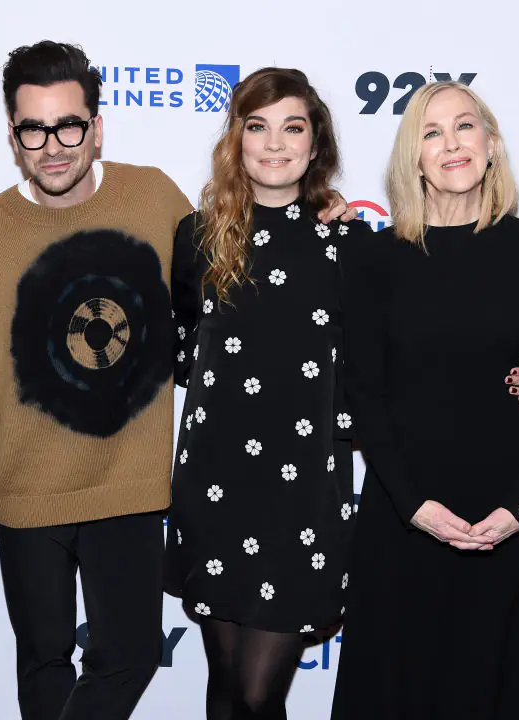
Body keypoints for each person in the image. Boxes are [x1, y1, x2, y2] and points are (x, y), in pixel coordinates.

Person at [0, 42, 354, 720]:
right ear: (12, 136)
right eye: (34, 129)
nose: (54, 145)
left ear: (97, 127)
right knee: (44, 661)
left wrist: (318, 213)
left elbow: (235, 267)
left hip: (129, 484)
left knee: (132, 658)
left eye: (70, 125)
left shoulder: (155, 199)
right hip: (22, 488)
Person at [332, 81, 519, 720]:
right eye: (431, 133)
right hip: (401, 514)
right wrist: (412, 506)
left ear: (490, 145)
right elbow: (365, 394)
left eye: (465, 127)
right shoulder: (373, 258)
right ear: (414, 158)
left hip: (505, 515)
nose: (451, 143)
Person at [164, 67, 366, 720]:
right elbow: (183, 351)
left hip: (304, 495)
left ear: (316, 144)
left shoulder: (349, 243)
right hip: (216, 487)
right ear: (236, 139)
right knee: (224, 686)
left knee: (257, 694)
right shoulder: (196, 236)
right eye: (258, 126)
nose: (274, 143)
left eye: (293, 127)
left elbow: (395, 354)